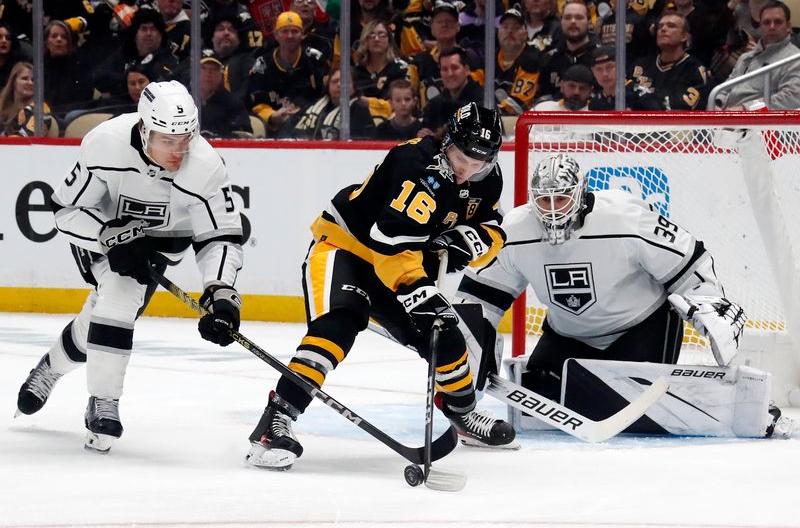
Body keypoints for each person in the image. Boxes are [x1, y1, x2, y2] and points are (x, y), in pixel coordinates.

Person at [245, 102, 515, 470]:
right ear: (446, 141)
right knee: (336, 329)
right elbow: (390, 244)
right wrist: (418, 290)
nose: (468, 169)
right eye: (461, 156)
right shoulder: (416, 167)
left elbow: (495, 229)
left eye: (479, 161)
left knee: (445, 335)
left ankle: (462, 413)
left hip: (401, 265)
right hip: (346, 250)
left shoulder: (488, 179)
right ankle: (274, 422)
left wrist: (472, 240)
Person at [15, 80, 244, 453]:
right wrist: (109, 236)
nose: (179, 150)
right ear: (143, 129)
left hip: (164, 244)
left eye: (186, 138)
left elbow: (220, 237)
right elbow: (66, 211)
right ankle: (103, 403)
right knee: (120, 295)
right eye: (168, 140)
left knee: (106, 315)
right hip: (106, 230)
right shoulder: (106, 142)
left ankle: (51, 367)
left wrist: (221, 292)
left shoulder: (206, 165)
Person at [456, 154, 747, 406]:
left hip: (641, 328)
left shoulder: (624, 218)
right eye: (545, 199)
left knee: (623, 402)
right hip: (568, 334)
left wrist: (709, 302)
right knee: (538, 391)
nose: (553, 208)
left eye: (562, 198)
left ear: (580, 193)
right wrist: (466, 343)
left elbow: (688, 258)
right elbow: (482, 296)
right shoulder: (515, 231)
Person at [712, 1, 800, 110]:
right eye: (766, 22)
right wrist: (717, 103)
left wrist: (746, 108)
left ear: (788, 26)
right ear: (760, 27)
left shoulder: (795, 59)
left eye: (778, 22)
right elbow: (726, 88)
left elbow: (792, 98)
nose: (772, 27)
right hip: (727, 116)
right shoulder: (745, 58)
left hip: (760, 122)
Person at [626, 11, 709, 111]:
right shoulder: (639, 66)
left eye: (671, 26)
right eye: (660, 26)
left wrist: (641, 98)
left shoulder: (695, 71)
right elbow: (622, 98)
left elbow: (677, 108)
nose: (663, 29)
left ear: (684, 37)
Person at [418, 47, 484, 139]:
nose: (450, 74)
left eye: (455, 68)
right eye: (444, 69)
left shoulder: (484, 101)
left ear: (467, 70)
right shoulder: (434, 104)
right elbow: (424, 133)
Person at [0, 62, 54, 137]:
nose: (30, 83)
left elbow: (23, 140)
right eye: (24, 78)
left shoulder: (41, 108)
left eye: (33, 80)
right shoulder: (2, 105)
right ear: (13, 82)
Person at [588, 45, 616, 110]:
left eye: (609, 67)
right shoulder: (594, 104)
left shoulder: (639, 97)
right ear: (593, 72)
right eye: (599, 69)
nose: (605, 74)